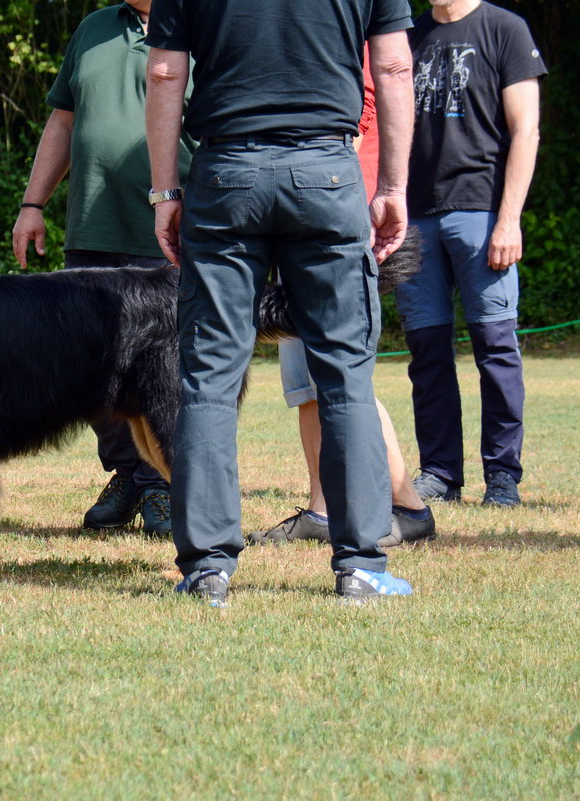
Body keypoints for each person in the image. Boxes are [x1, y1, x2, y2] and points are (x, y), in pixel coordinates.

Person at [145, 0, 418, 604]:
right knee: (345, 373)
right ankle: (361, 566)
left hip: (225, 174)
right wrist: (394, 187)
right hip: (327, 170)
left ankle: (207, 569)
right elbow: (394, 69)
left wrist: (165, 189)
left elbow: (165, 72)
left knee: (209, 376)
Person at [11, 0, 195, 537]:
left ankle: (163, 482)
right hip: (92, 225)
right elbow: (64, 119)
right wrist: (32, 204)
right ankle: (128, 477)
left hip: (169, 229)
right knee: (95, 369)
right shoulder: (93, 28)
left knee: (162, 369)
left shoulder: (200, 20)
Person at [251, 49, 434, 548]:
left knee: (340, 373)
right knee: (305, 379)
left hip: (337, 207)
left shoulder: (348, 20)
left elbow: (366, 103)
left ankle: (409, 508)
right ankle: (322, 507)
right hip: (298, 206)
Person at [397, 0, 545, 508]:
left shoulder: (504, 28)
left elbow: (526, 129)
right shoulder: (407, 34)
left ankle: (502, 477)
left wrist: (509, 219)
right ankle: (440, 473)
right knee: (427, 353)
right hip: (414, 219)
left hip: (481, 213)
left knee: (496, 348)